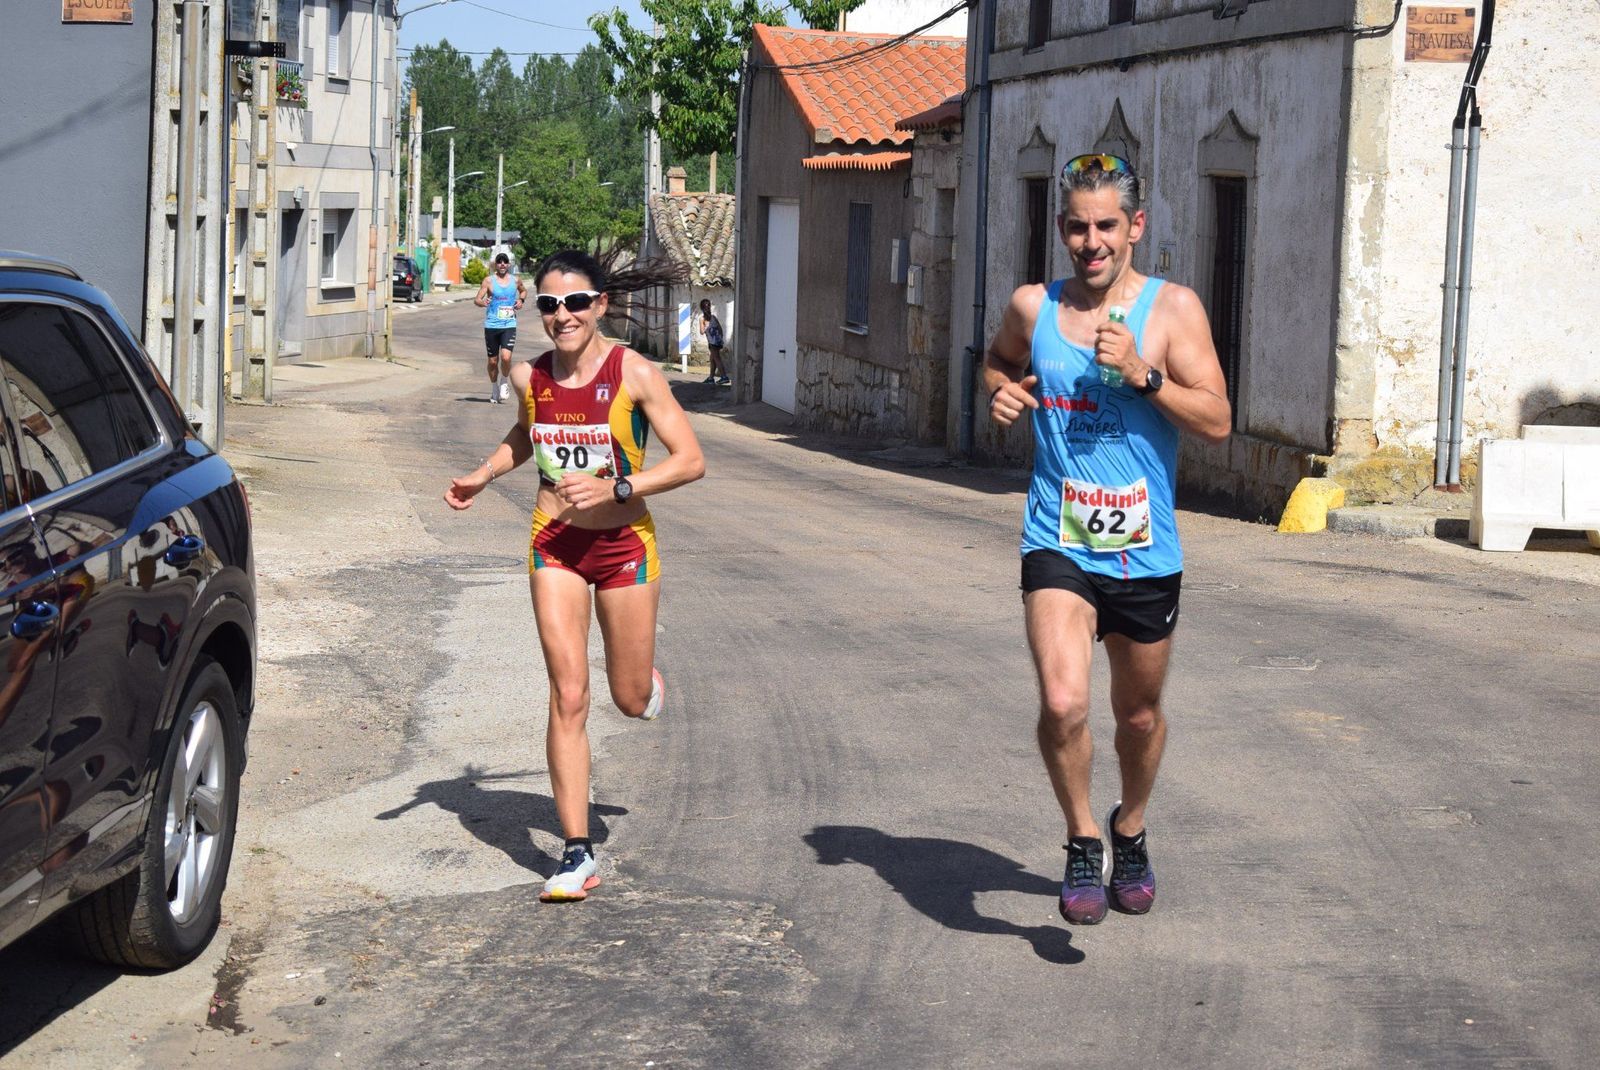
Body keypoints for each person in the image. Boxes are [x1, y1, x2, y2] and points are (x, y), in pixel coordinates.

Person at [983, 153, 1231, 925]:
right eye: (1077, 227)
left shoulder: (1173, 311)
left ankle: (1131, 826)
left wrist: (1145, 378)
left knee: (1139, 717)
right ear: (1062, 229)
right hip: (1057, 537)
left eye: (1106, 227)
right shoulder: (1033, 305)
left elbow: (1219, 421)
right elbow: (995, 362)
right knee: (1063, 702)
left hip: (1145, 549)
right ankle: (1084, 839)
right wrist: (1003, 392)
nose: (1090, 242)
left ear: (1136, 229)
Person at [445, 249, 703, 902]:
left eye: (576, 303)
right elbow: (526, 436)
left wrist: (619, 485)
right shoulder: (532, 377)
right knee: (568, 695)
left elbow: (690, 460)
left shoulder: (633, 372)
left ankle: (644, 682)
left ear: (600, 306)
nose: (563, 316)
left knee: (628, 699)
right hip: (553, 543)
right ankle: (576, 852)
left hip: (624, 547)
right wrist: (483, 474)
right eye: (550, 305)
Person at [475, 252, 525, 403]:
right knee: (492, 361)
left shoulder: (516, 281)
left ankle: (504, 381)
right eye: (499, 261)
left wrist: (521, 300)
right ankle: (494, 388)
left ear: (509, 265)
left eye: (505, 262)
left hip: (509, 324)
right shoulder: (489, 281)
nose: (502, 264)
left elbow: (523, 291)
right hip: (491, 325)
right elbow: (477, 299)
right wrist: (483, 302)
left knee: (506, 357)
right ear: (495, 265)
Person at [698, 298, 728, 385]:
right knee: (712, 359)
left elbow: (701, 332)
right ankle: (711, 378)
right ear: (709, 307)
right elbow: (720, 329)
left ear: (702, 308)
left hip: (712, 343)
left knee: (717, 359)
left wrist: (706, 326)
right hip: (718, 341)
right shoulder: (713, 317)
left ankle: (724, 377)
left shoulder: (702, 319)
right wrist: (720, 338)